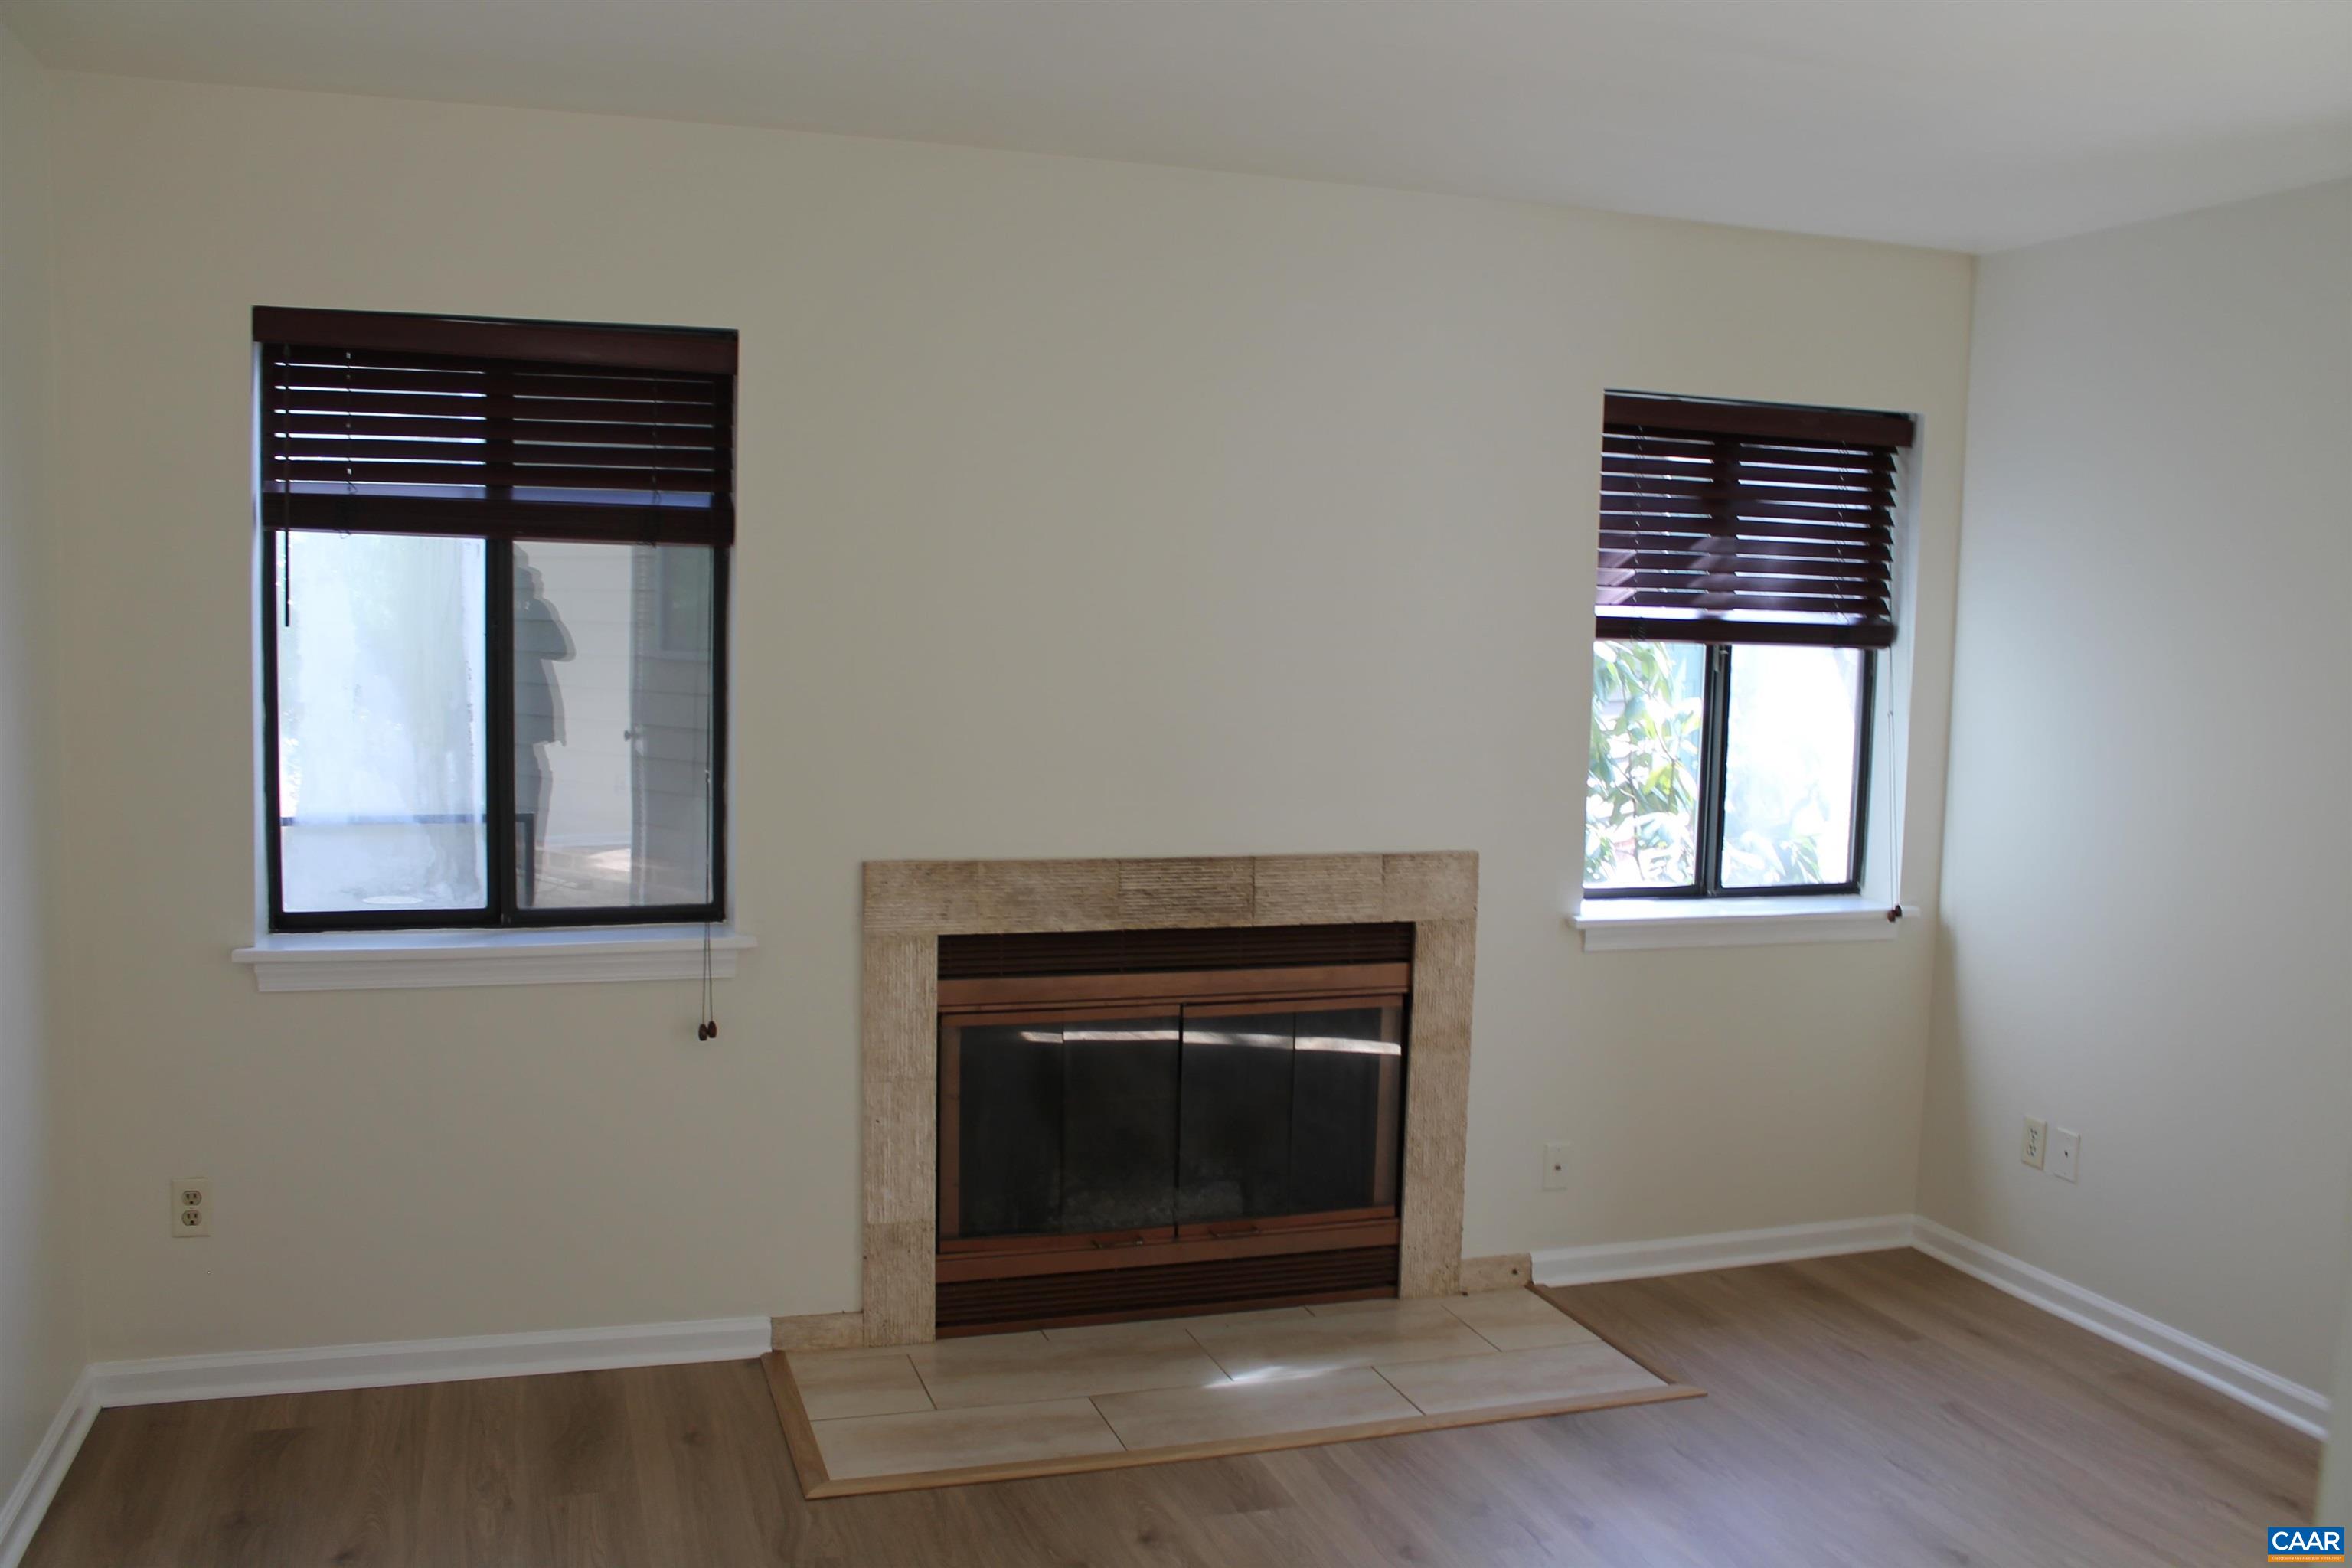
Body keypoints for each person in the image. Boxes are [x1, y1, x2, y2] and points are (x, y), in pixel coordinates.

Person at [511, 548, 574, 902]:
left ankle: (525, 866)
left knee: (529, 778)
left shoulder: (533, 608)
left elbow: (561, 649)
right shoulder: (520, 605)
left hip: (525, 708)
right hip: (518, 705)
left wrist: (532, 610)